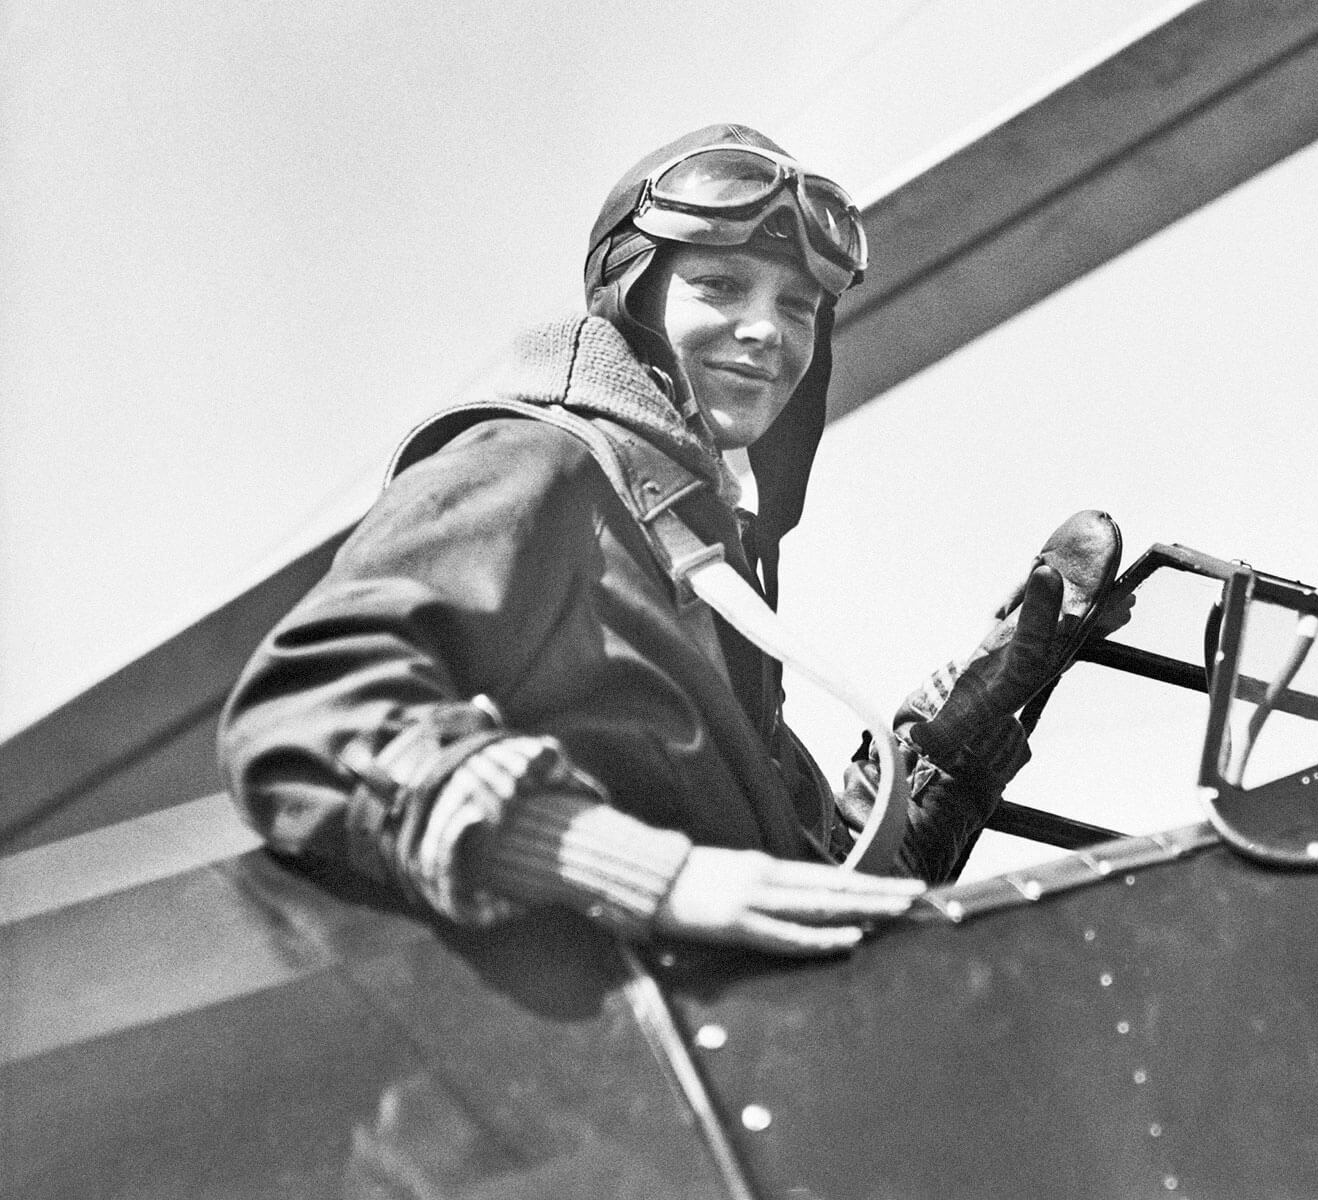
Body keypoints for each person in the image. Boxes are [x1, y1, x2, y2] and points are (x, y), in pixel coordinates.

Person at [218, 124, 1123, 958]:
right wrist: (650, 876)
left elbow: (814, 895)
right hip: (580, 1100)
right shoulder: (539, 465)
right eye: (720, 286)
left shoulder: (691, 570)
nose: (768, 330)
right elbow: (307, 707)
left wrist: (949, 759)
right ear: (637, 298)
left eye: (799, 307)